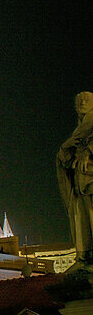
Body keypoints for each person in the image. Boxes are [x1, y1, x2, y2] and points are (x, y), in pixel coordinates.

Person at [57, 91, 93, 263]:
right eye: (79, 101)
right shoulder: (80, 128)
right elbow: (67, 152)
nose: (82, 103)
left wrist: (88, 151)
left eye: (86, 100)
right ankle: (86, 253)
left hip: (89, 177)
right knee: (83, 215)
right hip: (81, 179)